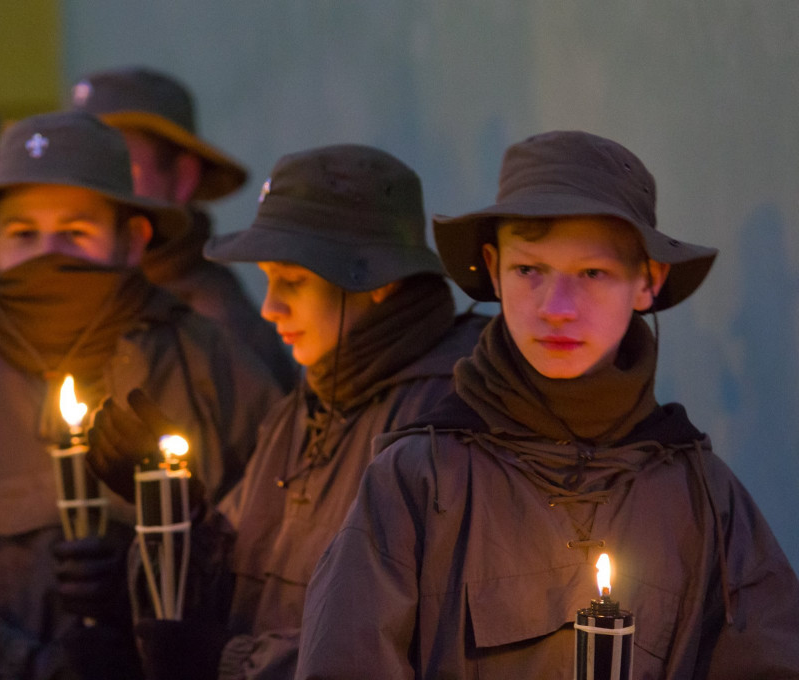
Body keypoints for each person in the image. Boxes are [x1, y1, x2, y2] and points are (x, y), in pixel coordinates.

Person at [295, 131, 799, 678]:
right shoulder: (418, 481)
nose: (556, 308)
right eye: (529, 270)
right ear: (493, 269)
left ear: (648, 281)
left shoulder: (704, 500)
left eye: (592, 273)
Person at [0, 110, 282, 680]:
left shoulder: (213, 367)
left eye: (75, 232)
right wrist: (32, 668)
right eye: (24, 234)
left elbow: (288, 584)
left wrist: (154, 578)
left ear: (133, 240)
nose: (49, 255)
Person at [86, 144, 490, 680]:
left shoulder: (442, 422)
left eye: (293, 282)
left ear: (380, 283)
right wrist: (170, 510)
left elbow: (412, 644)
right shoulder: (305, 403)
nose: (270, 307)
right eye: (269, 278)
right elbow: (237, 578)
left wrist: (226, 663)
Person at [71, 67, 296, 390]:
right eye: (81, 170)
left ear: (183, 178)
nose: (92, 191)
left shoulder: (215, 329)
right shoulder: (80, 297)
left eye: (118, 168)